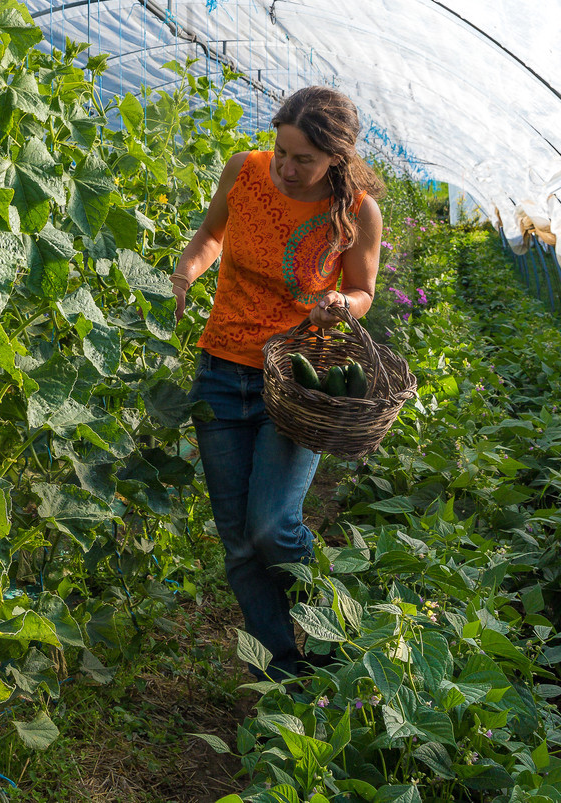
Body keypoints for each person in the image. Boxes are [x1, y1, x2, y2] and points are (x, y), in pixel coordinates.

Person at [169, 85, 385, 681]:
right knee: (239, 541)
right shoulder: (244, 172)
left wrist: (344, 300)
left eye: (304, 160)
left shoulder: (357, 212)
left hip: (296, 383)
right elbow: (210, 237)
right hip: (220, 371)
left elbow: (365, 291)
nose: (287, 169)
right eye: (281, 151)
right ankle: (285, 671)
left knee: (272, 527)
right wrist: (187, 271)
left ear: (335, 159)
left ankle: (334, 628)